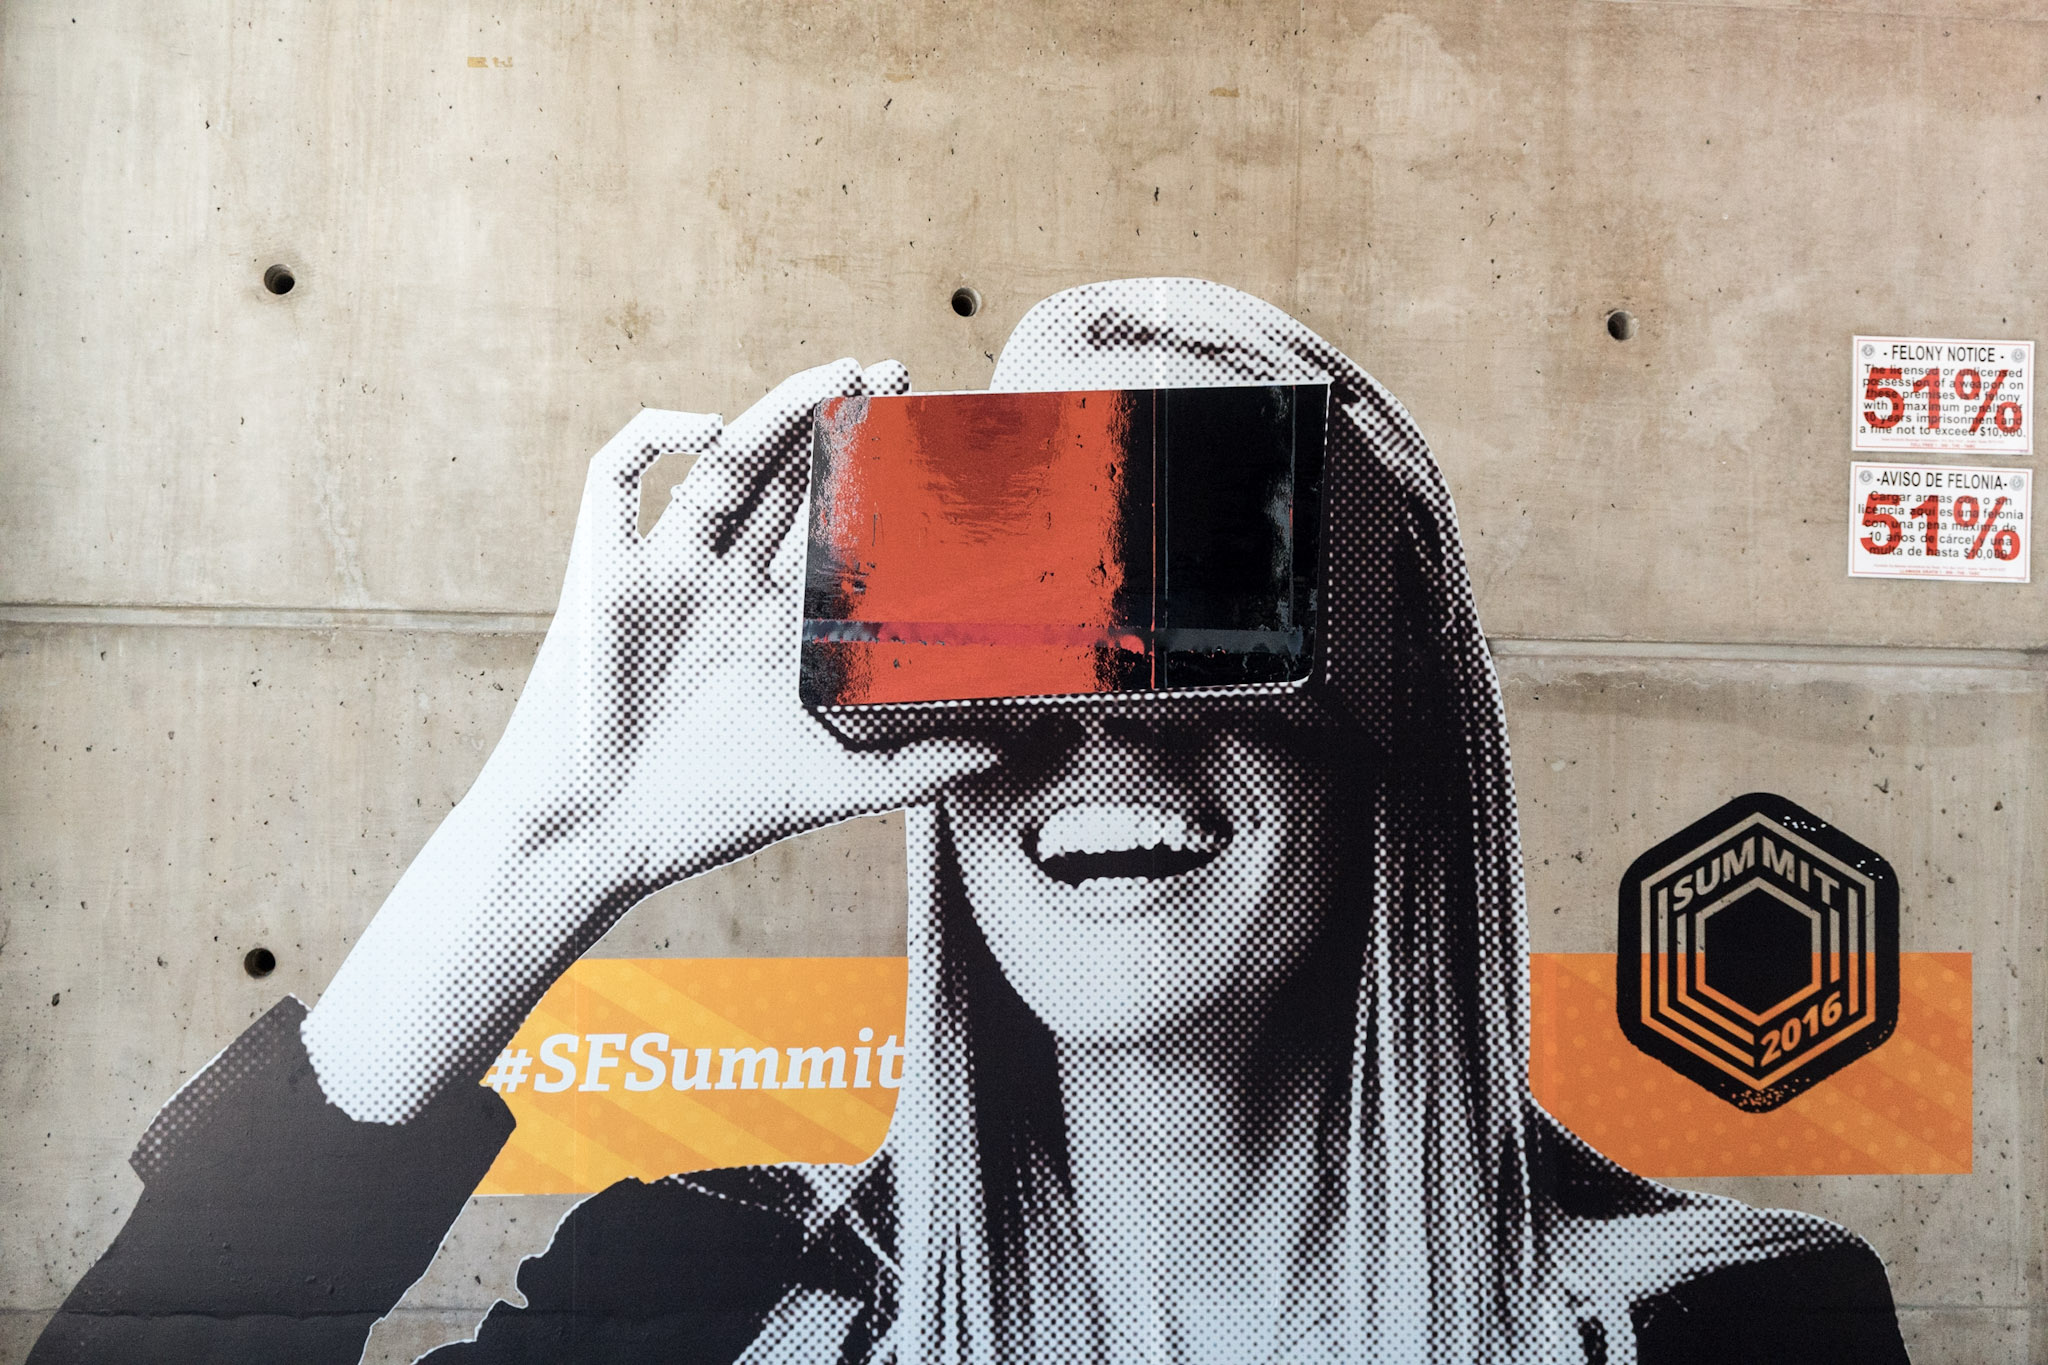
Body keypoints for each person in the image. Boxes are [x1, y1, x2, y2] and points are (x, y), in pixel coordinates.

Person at [27, 280, 1909, 1365]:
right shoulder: (704, 1302)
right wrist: (545, 842)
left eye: (1198, 599)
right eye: (1010, 610)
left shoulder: (1733, 1333)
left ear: (1383, 717)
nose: (1096, 729)